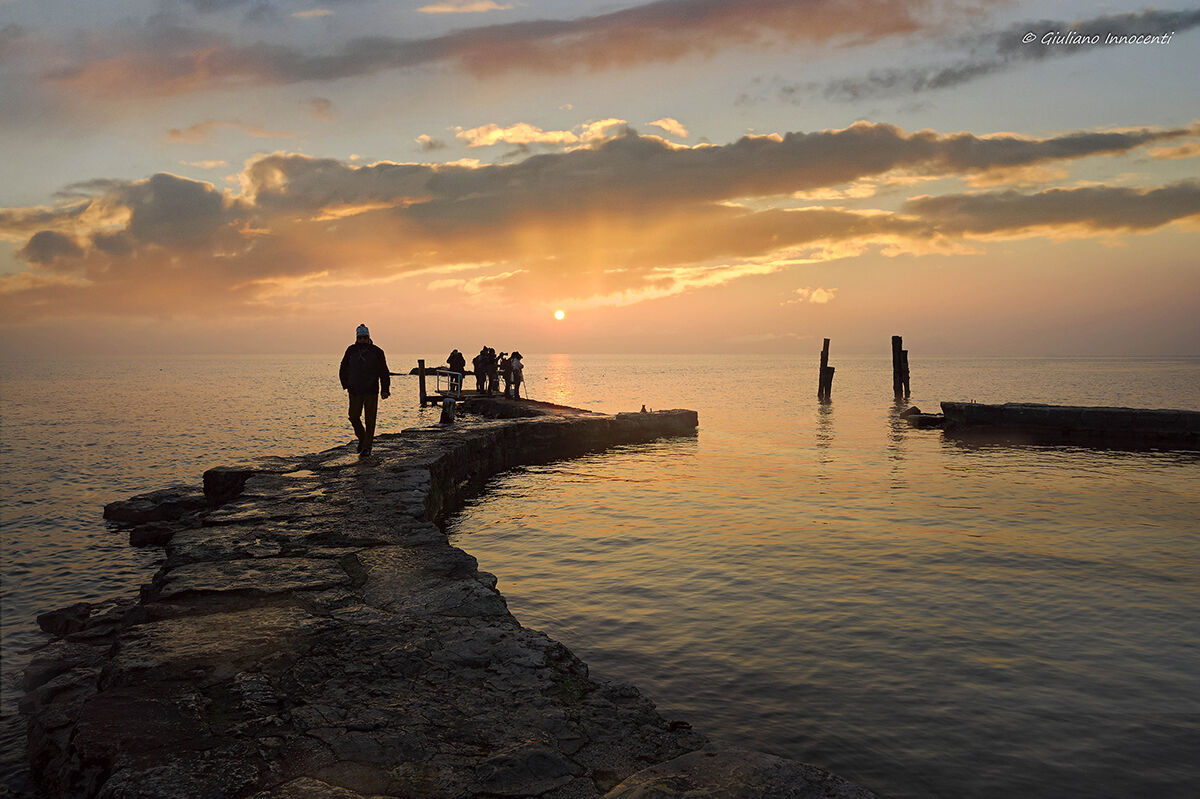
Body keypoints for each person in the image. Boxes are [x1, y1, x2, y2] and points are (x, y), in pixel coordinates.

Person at [339, 323, 390, 457]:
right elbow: (343, 367)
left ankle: (367, 447)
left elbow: (384, 372)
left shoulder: (377, 352)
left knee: (370, 420)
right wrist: (346, 384)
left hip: (371, 390)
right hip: (354, 390)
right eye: (360, 337)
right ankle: (362, 438)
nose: (362, 340)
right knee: (353, 416)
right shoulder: (351, 350)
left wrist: (385, 389)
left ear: (369, 337)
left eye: (365, 337)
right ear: (357, 338)